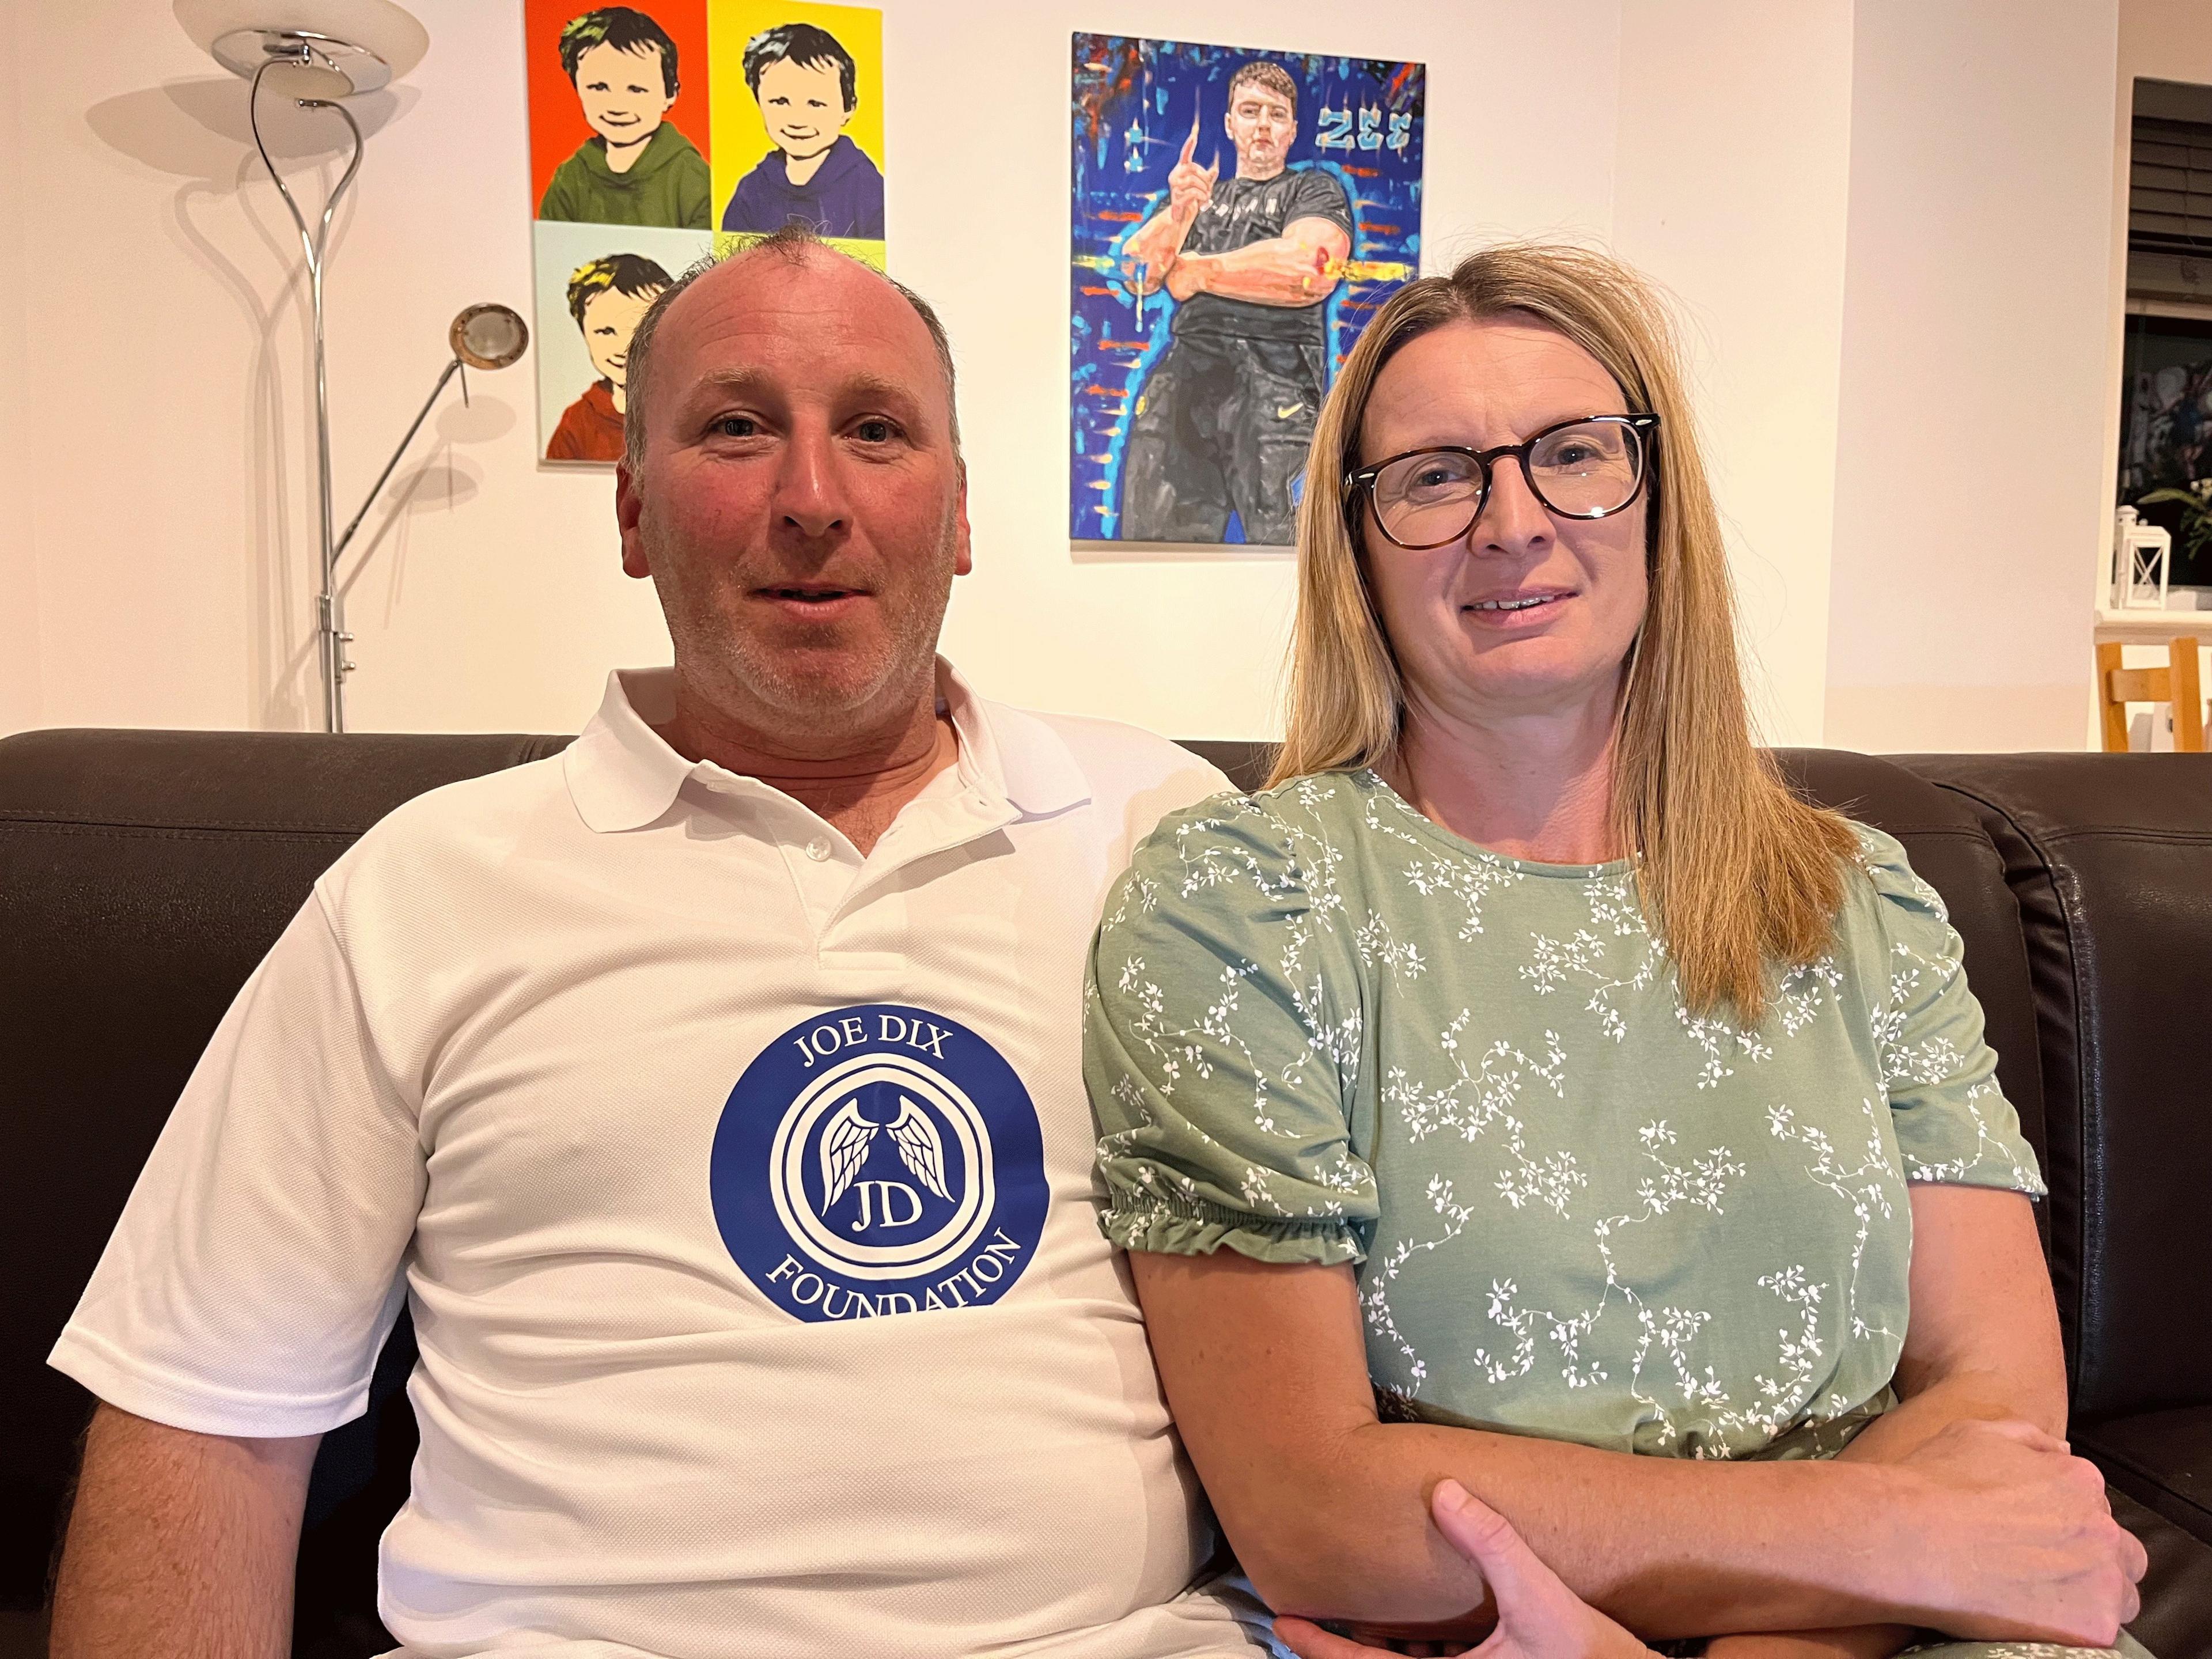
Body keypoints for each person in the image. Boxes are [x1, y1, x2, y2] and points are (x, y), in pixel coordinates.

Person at [46, 229, 1264, 1658]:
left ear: (963, 515)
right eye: (737, 430)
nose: (811, 498)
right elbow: (202, 1415)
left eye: (874, 430)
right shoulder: (423, 887)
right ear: (632, 515)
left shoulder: (1165, 829)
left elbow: (1337, 1314)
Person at [1085, 243, 2152, 1656]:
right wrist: (1889, 1540)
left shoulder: (1858, 900)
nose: (1510, 521)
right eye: (1433, 476)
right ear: (1352, 542)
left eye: (1573, 453)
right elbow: (1319, 1508)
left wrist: (1787, 1635)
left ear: (1656, 501)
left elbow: (1993, 1405)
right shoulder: (1240, 905)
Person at [1116, 60, 1353, 546]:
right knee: (1154, 550)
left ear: (1293, 130)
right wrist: (1178, 213)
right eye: (1250, 111)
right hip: (1183, 386)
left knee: (1292, 560)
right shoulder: (1198, 197)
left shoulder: (1313, 189)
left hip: (1277, 391)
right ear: (1230, 124)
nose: (1263, 125)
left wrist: (1198, 271)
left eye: (1276, 114)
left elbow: (1311, 271)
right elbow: (1139, 274)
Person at [539, 6, 711, 229]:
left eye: (636, 89)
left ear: (670, 95)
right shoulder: (571, 177)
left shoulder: (690, 175)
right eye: (599, 87)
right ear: (578, 89)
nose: (617, 106)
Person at [720, 22, 886, 241]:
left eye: (815, 104)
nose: (797, 120)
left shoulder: (867, 187)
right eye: (780, 101)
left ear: (848, 108)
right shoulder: (752, 191)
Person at [547, 251, 673, 461]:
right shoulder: (578, 421)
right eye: (606, 331)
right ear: (584, 333)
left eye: (639, 330)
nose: (623, 348)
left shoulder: (687, 409)